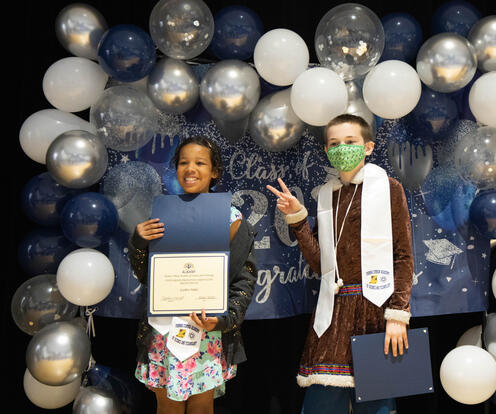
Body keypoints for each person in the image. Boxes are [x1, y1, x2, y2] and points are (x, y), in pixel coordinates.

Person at [267, 114, 414, 413]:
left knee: (378, 406)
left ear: (368, 147)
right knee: (322, 404)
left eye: (350, 142)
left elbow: (403, 256)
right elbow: (320, 265)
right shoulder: (326, 196)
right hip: (332, 317)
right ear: (326, 151)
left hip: (376, 312)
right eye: (334, 143)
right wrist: (297, 219)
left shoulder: (388, 188)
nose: (342, 148)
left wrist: (398, 315)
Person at [128, 136, 258, 414]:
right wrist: (139, 241)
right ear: (175, 169)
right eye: (184, 162)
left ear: (215, 172)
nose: (191, 169)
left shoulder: (231, 219)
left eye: (200, 163)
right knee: (167, 406)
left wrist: (222, 321)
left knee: (201, 405)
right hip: (164, 327)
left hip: (207, 329)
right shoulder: (163, 215)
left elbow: (244, 280)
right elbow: (145, 276)